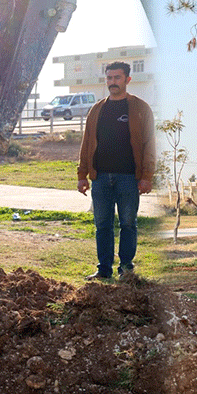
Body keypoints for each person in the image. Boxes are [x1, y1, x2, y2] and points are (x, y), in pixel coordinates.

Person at [76, 61, 154, 280]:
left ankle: (126, 269)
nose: (112, 82)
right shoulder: (97, 109)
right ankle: (104, 269)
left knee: (128, 224)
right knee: (102, 225)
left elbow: (149, 144)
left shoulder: (140, 109)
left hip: (129, 178)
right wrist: (82, 175)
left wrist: (147, 177)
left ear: (127, 80)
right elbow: (87, 144)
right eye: (109, 78)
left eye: (117, 78)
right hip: (100, 178)